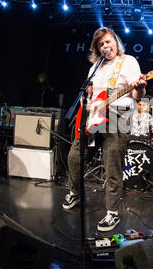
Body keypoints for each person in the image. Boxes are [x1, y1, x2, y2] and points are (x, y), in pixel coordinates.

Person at [63, 27, 147, 232]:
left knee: (112, 166)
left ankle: (112, 213)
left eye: (108, 41)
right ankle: (75, 192)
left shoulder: (128, 61)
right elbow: (90, 94)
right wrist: (86, 101)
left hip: (118, 117)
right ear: (97, 49)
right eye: (101, 44)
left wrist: (140, 86)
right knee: (75, 156)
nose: (105, 46)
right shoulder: (95, 67)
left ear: (116, 42)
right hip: (92, 118)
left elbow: (138, 95)